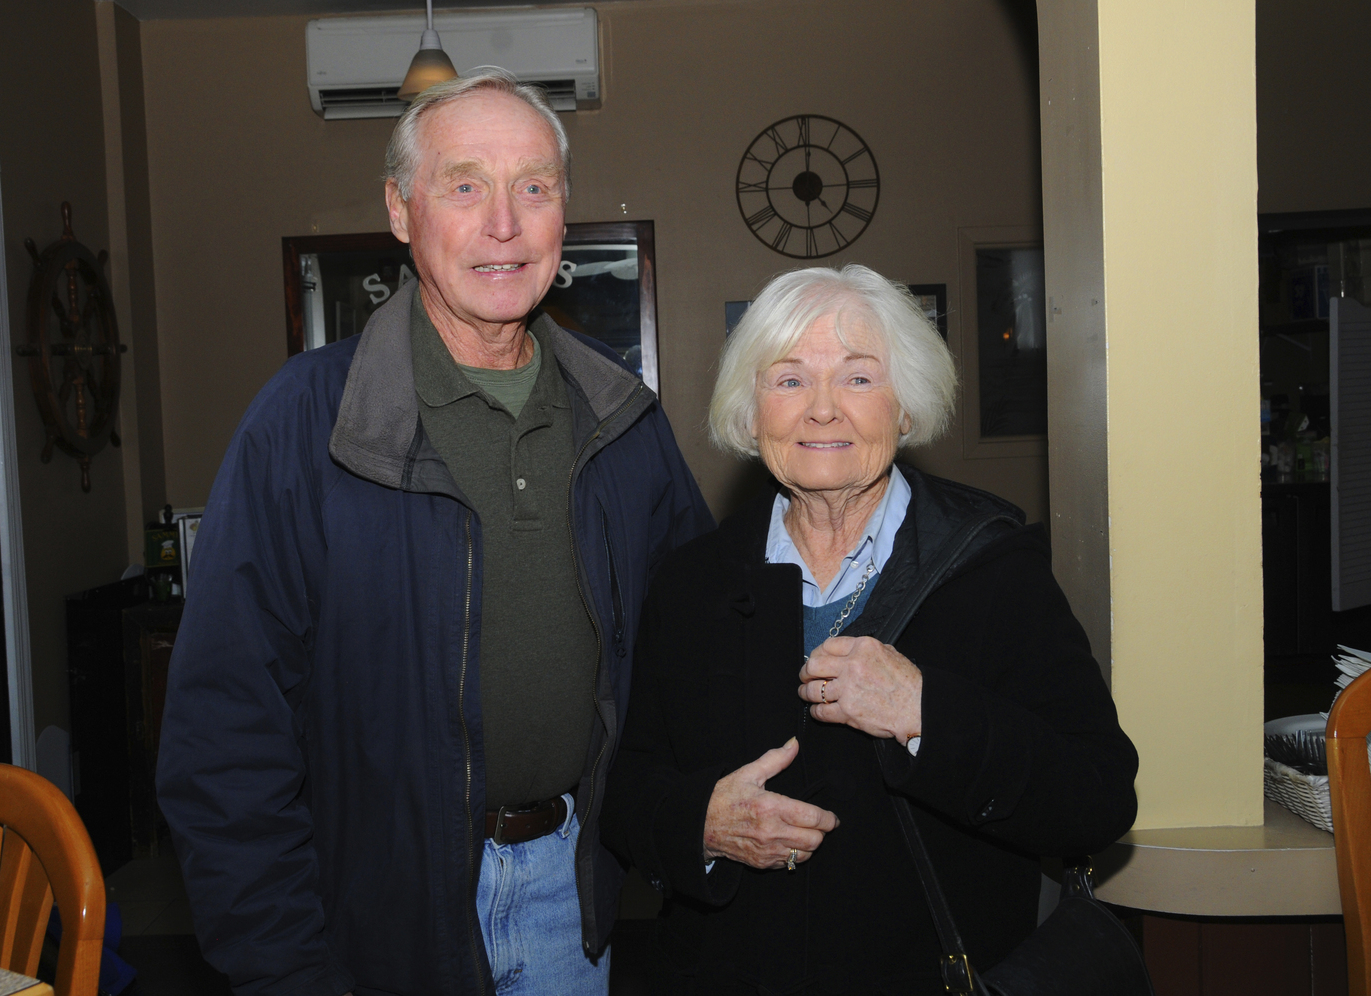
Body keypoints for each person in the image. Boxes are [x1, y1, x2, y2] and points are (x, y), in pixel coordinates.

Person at [155, 67, 713, 996]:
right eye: (464, 185)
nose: (504, 223)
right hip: (367, 915)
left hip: (574, 893)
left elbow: (699, 650)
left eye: (533, 187)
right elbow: (223, 738)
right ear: (402, 212)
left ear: (561, 215)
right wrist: (283, 966)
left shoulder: (624, 421)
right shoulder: (306, 422)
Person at [600, 264, 1138, 994]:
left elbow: (1098, 797)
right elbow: (628, 789)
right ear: (751, 413)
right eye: (788, 380)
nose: (822, 411)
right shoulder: (694, 583)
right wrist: (701, 822)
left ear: (906, 408)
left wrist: (927, 713)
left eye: (858, 379)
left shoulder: (991, 569)